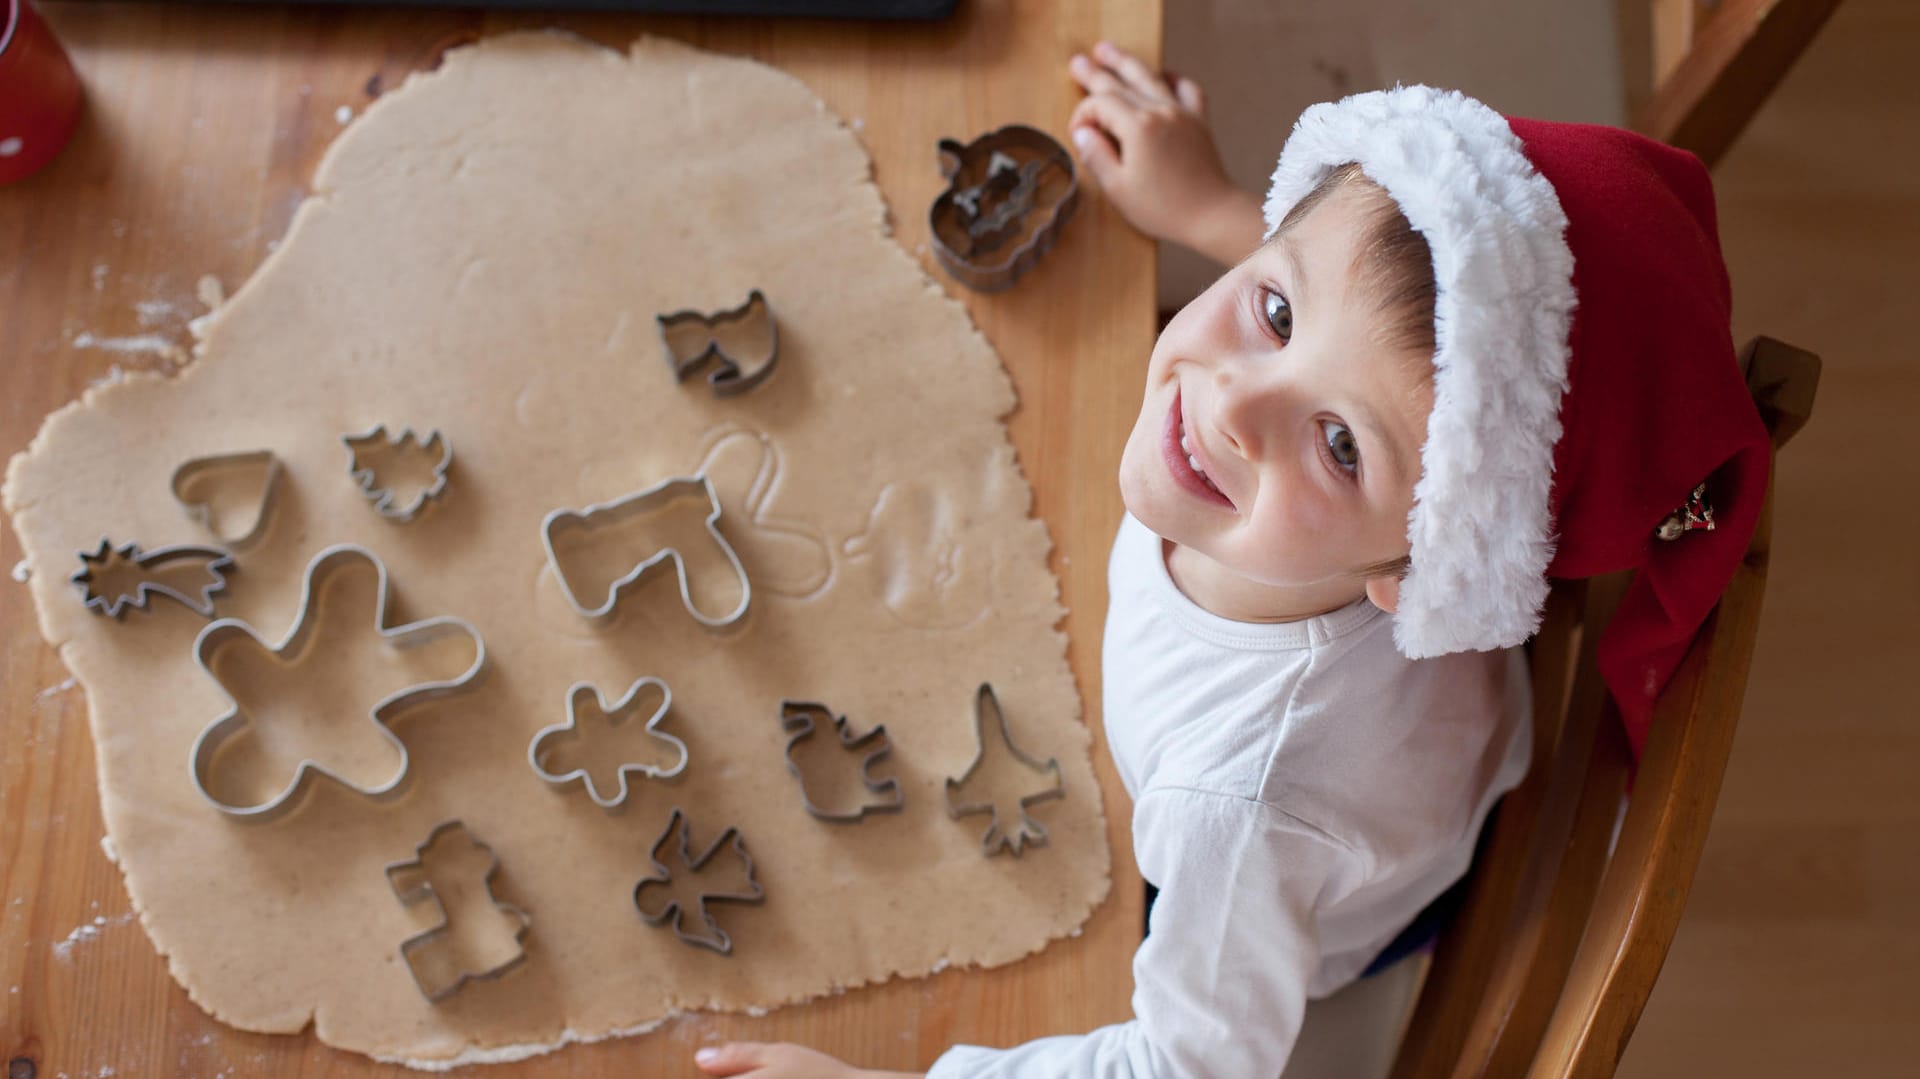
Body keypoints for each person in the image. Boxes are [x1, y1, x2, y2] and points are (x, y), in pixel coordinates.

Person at [693, 41, 1771, 1079]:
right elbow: (1352, 326)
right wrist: (1203, 202)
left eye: (1342, 444)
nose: (1233, 404)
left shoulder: (1236, 805)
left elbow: (1177, 1064)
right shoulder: (1356, 508)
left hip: (1294, 918)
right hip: (1386, 793)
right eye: (1274, 306)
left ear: (1419, 577)